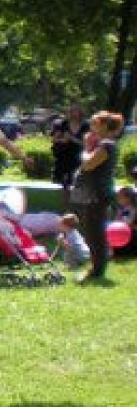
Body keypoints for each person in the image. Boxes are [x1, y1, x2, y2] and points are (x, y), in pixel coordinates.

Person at [69, 110, 123, 282]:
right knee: (91, 232)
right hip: (92, 194)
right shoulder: (103, 144)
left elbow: (87, 165)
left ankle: (97, 269)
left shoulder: (107, 145)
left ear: (104, 126)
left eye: (94, 123)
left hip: (98, 195)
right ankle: (96, 266)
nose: (91, 127)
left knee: (95, 234)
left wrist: (85, 150)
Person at [51, 104, 89, 208]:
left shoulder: (86, 126)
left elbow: (86, 143)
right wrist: (62, 140)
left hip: (79, 157)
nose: (73, 113)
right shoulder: (62, 124)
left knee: (78, 183)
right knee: (64, 185)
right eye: (71, 111)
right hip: (63, 157)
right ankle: (65, 209)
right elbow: (54, 139)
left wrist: (72, 139)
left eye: (76, 111)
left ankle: (77, 209)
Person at [113, 186, 137, 257]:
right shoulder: (122, 209)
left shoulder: (131, 209)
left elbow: (127, 223)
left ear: (128, 199)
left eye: (120, 197)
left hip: (131, 234)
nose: (117, 199)